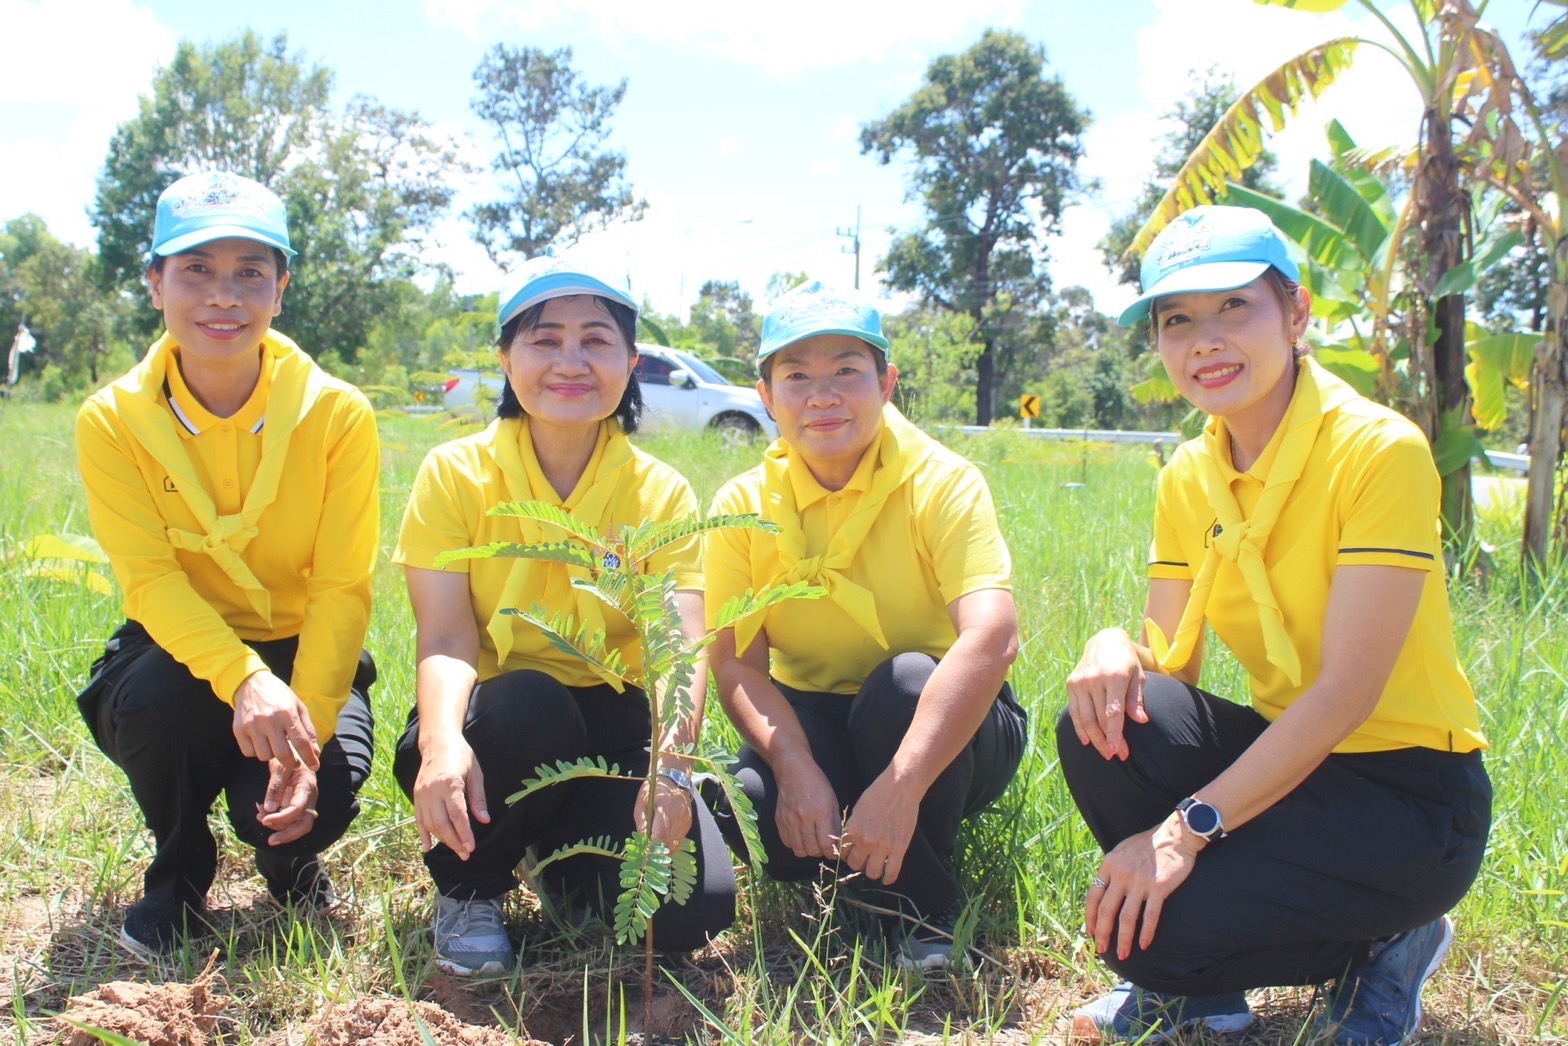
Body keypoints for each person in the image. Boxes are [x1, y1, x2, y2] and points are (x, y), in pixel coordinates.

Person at [1058, 206, 1491, 1044]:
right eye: (1178, 320)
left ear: (1296, 314)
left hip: (1411, 796)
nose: (1206, 341)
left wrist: (1184, 834)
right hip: (1294, 763)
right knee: (1105, 720)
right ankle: (1203, 993)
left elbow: (1346, 694)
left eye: (1234, 308)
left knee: (1159, 938)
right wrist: (1109, 645)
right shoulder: (1189, 473)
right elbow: (1167, 669)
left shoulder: (1378, 451)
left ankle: (1392, 940)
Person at [392, 254, 736, 975]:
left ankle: (557, 856)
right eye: (545, 340)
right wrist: (441, 743)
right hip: (497, 723)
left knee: (690, 911)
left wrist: (671, 769)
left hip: (616, 722)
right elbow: (447, 636)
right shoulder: (455, 473)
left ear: (631, 361)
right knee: (531, 704)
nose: (570, 362)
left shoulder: (661, 492)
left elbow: (679, 647)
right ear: (505, 358)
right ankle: (470, 889)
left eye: (596, 340)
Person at [75, 171, 380, 960]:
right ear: (155, 284)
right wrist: (244, 680)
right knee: (155, 703)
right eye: (196, 270)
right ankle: (177, 874)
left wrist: (306, 727)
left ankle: (289, 865)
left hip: (303, 649)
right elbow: (151, 581)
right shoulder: (112, 421)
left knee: (309, 799)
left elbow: (342, 586)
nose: (223, 295)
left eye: (250, 271)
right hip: (180, 651)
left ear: (281, 288)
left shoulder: (337, 414)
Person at [704, 281, 1027, 971]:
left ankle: (923, 912)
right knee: (750, 800)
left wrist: (901, 786)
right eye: (796, 376)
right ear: (766, 396)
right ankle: (861, 867)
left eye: (846, 371)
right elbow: (735, 664)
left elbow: (993, 636)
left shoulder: (942, 481)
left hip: (952, 720)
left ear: (886, 383)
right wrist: (794, 769)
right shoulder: (740, 506)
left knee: (904, 683)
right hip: (816, 712)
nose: (822, 397)